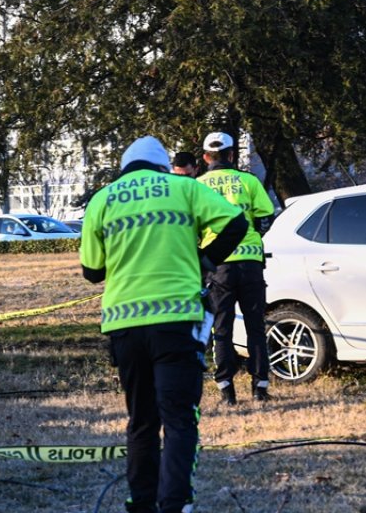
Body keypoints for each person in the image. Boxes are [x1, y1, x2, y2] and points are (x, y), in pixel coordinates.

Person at [80, 136, 247, 513]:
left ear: (124, 168)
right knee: (179, 420)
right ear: (160, 166)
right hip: (177, 321)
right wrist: (205, 259)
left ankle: (141, 503)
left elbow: (92, 271)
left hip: (124, 325)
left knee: (141, 420)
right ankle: (175, 504)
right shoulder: (184, 187)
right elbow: (237, 223)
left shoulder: (103, 200)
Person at [198, 131, 276, 404]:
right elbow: (267, 218)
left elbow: (189, 228)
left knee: (221, 329)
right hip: (251, 263)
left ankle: (226, 390)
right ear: (231, 155)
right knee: (256, 326)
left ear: (206, 157)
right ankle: (260, 388)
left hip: (217, 268)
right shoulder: (249, 181)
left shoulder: (196, 186)